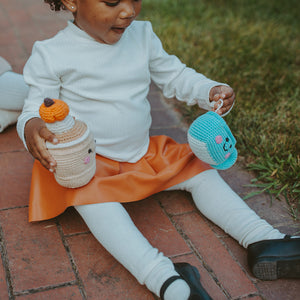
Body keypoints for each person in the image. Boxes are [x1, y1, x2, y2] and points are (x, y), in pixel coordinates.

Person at [0, 0, 296, 299]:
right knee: (89, 199)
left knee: (200, 170)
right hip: (90, 162)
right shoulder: (51, 53)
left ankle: (263, 239)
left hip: (143, 153)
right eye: (113, 1)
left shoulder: (141, 35)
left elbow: (175, 75)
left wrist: (208, 90)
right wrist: (32, 127)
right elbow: (34, 108)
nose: (128, 11)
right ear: (71, 2)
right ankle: (165, 279)